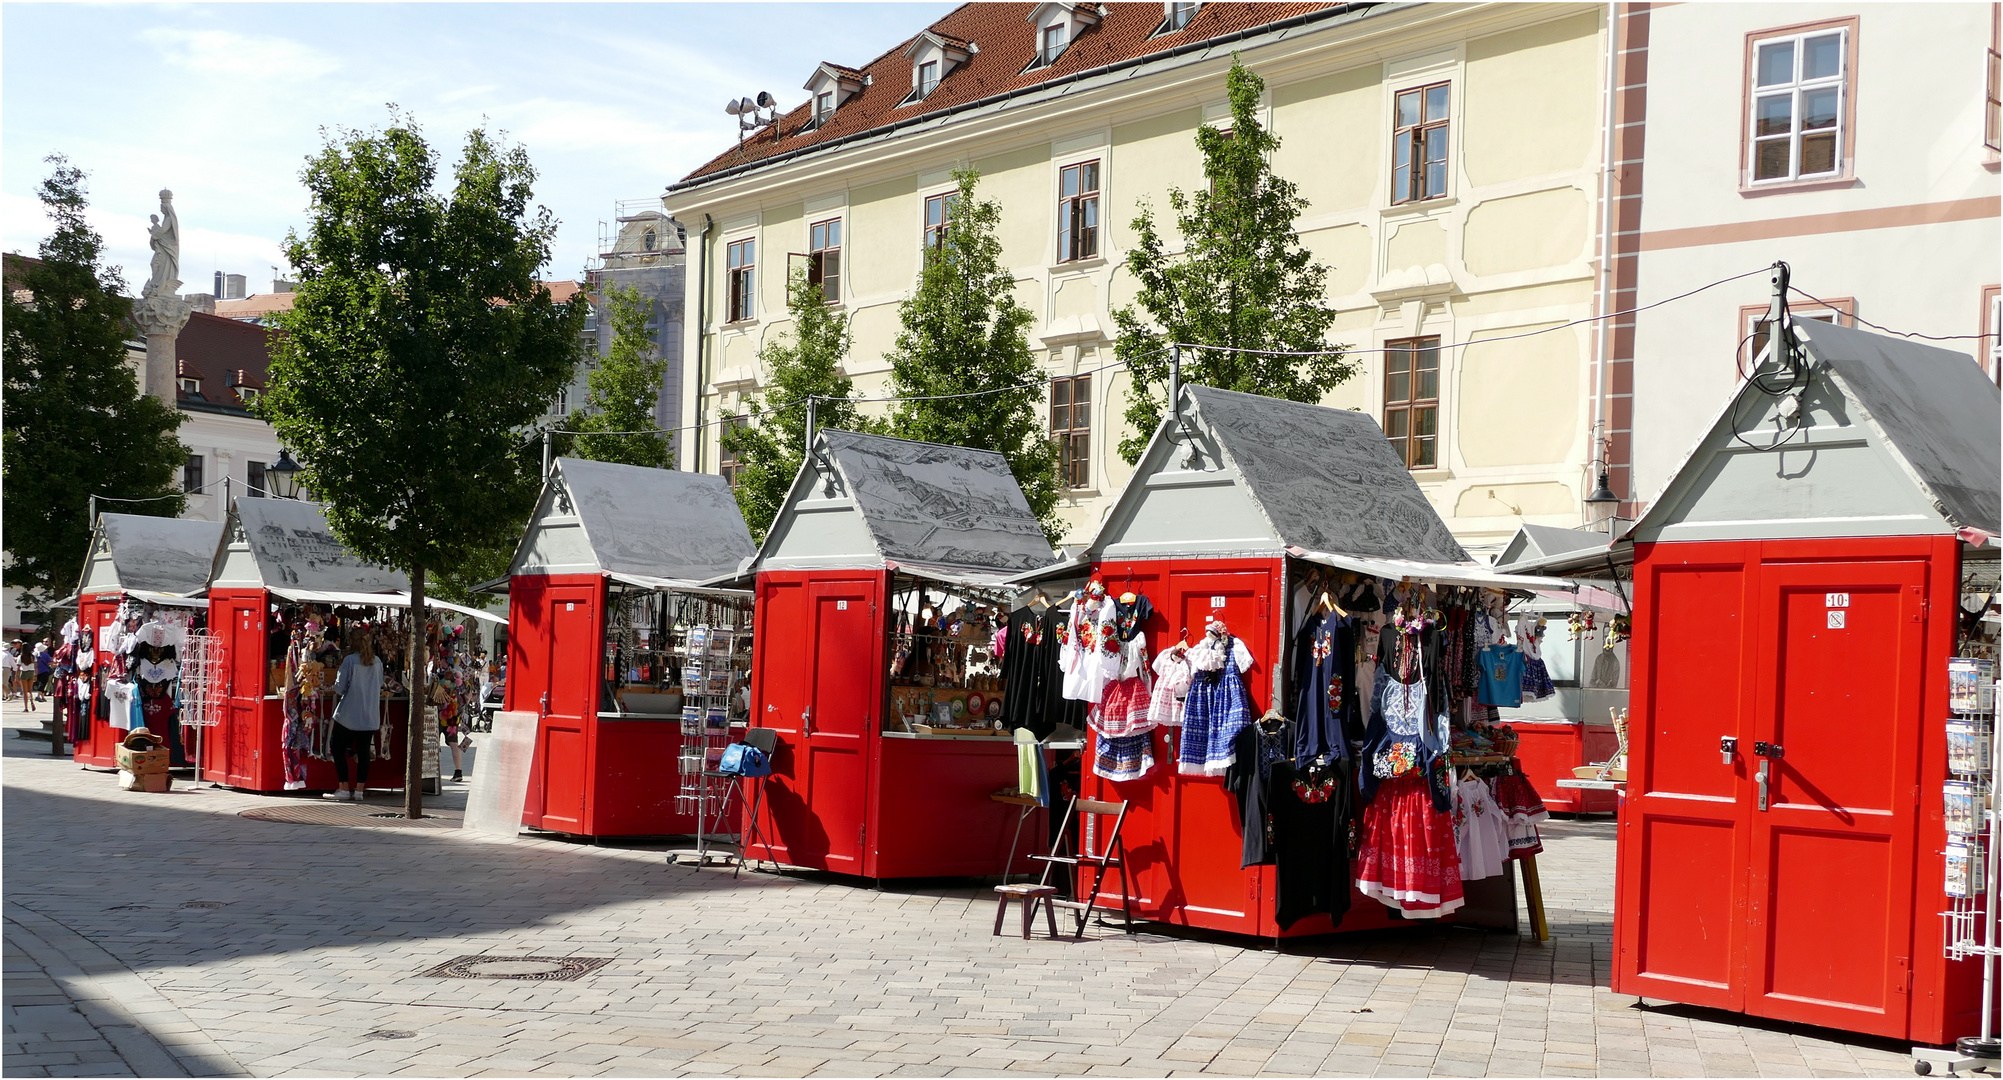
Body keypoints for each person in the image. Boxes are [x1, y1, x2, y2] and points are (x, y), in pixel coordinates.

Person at [328, 628, 384, 802]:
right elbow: (381, 685)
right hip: (370, 714)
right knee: (364, 751)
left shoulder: (349, 661)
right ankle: (359, 790)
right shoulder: (377, 662)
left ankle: (344, 787)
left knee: (336, 746)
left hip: (349, 714)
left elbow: (339, 688)